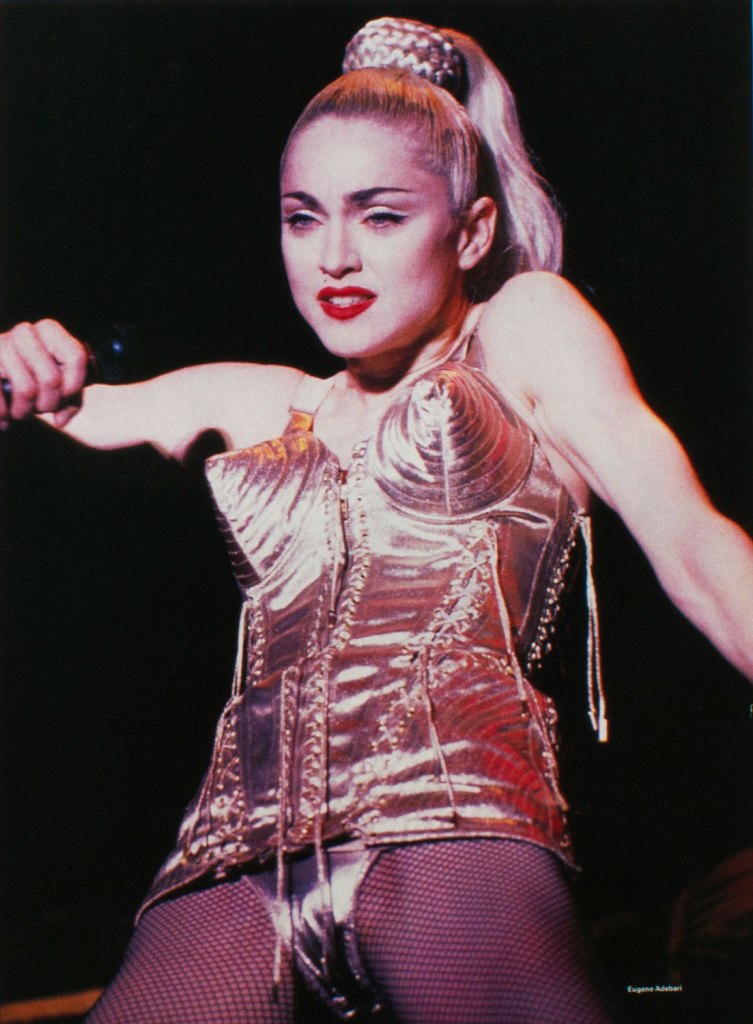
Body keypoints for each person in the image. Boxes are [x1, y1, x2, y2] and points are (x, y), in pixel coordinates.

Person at [1, 16, 751, 1024]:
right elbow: (57, 405)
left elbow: (697, 549)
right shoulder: (265, 400)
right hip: (231, 860)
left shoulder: (522, 326)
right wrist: (21, 363)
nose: (335, 257)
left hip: (450, 826)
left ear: (470, 232)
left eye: (381, 215)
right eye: (302, 217)